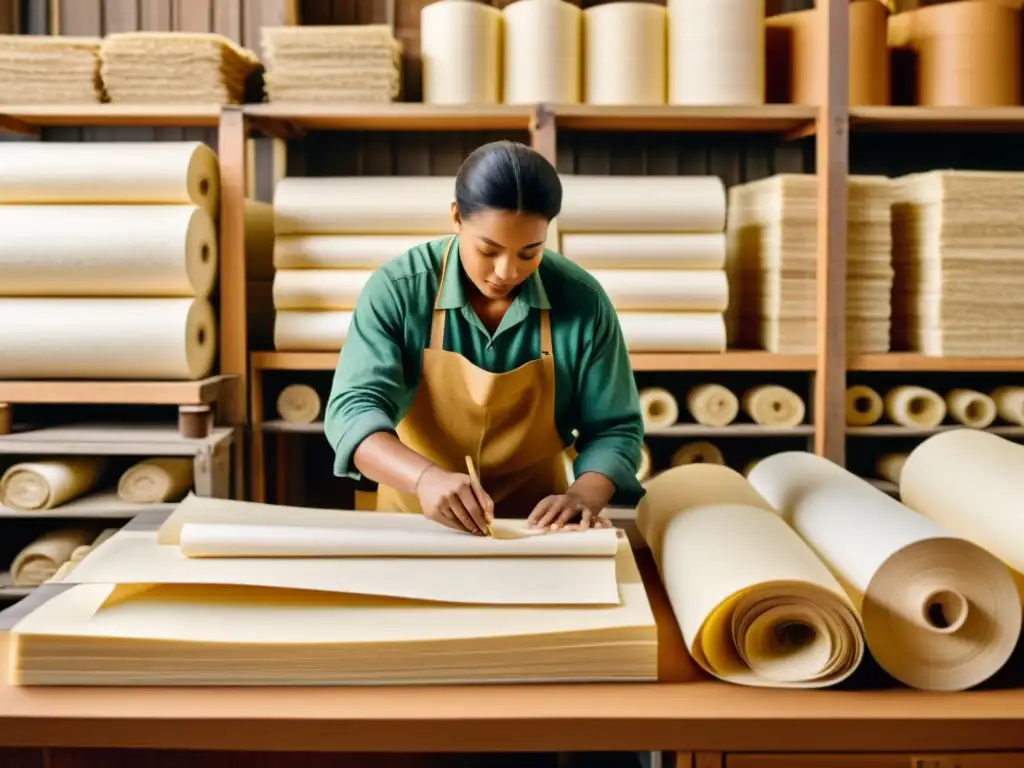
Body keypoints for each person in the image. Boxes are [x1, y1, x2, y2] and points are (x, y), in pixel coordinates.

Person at [325, 140, 646, 533]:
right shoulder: (399, 290)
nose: (506, 271)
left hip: (537, 528)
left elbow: (615, 428)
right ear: (457, 217)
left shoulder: (583, 301)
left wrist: (583, 496)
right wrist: (425, 479)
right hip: (416, 522)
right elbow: (353, 410)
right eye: (488, 250)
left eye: (529, 253)